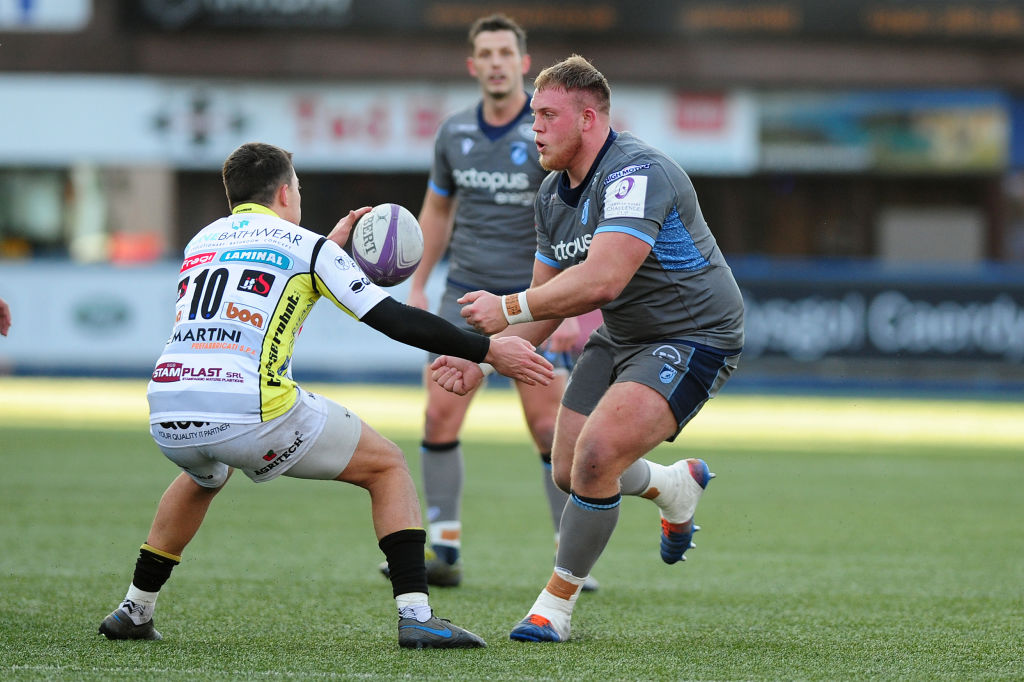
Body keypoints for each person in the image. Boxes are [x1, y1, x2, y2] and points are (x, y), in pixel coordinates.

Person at [96, 142, 554, 649]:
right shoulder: (307, 247)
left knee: (204, 475)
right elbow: (394, 320)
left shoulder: (203, 239)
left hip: (168, 406)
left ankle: (134, 608)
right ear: (287, 190)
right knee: (388, 467)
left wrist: (325, 250)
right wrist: (490, 350)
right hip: (250, 410)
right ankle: (417, 615)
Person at [431, 55, 745, 643]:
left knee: (598, 455)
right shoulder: (552, 193)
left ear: (590, 118)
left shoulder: (636, 174)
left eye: (548, 115)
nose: (535, 129)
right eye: (534, 116)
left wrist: (507, 307)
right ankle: (671, 485)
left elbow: (601, 282)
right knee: (569, 470)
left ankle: (554, 607)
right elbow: (548, 301)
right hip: (624, 335)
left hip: (693, 333)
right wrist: (480, 358)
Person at [399, 12, 597, 591]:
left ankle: (570, 560)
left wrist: (565, 308)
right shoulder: (453, 134)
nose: (494, 63)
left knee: (547, 429)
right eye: (484, 54)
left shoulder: (549, 130)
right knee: (439, 412)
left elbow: (582, 223)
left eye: (504, 53)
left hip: (533, 299)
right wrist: (418, 281)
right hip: (462, 296)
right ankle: (445, 548)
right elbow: (436, 212)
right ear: (473, 65)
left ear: (523, 62)